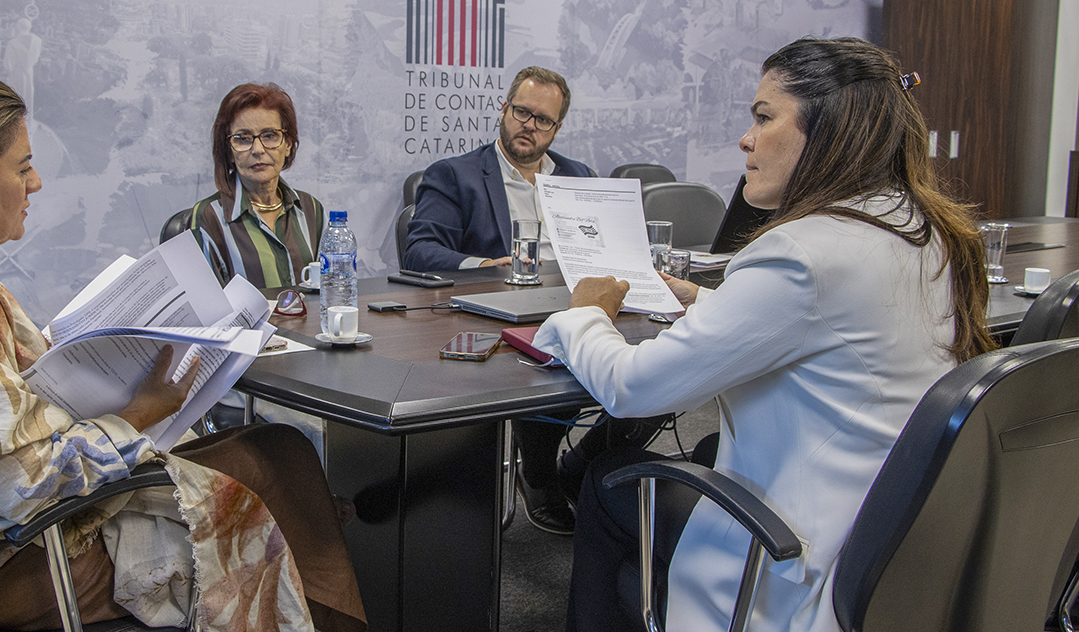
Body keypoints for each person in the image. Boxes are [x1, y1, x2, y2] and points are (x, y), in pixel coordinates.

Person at [0, 68, 366, 632]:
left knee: (278, 449)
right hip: (30, 562)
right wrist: (140, 412)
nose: (37, 182)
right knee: (278, 462)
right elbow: (9, 489)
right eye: (22, 167)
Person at [533, 37, 994, 631]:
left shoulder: (800, 253)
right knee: (700, 451)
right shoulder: (924, 229)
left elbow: (633, 389)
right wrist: (705, 298)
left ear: (827, 131)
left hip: (795, 562)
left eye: (763, 117)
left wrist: (585, 314)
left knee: (606, 477)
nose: (746, 139)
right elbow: (833, 323)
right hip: (892, 547)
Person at [403, 65, 661, 536]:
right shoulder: (455, 175)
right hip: (501, 314)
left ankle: (581, 466)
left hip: (578, 304)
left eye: (543, 120)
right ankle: (539, 473)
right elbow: (420, 249)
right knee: (548, 364)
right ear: (504, 110)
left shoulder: (578, 176)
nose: (530, 125)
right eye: (522, 112)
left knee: (661, 371)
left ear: (557, 127)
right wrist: (488, 266)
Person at [185, 82, 324, 289]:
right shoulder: (208, 217)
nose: (258, 149)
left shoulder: (310, 208)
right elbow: (207, 309)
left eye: (269, 136)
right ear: (229, 151)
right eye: (243, 139)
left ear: (287, 144)